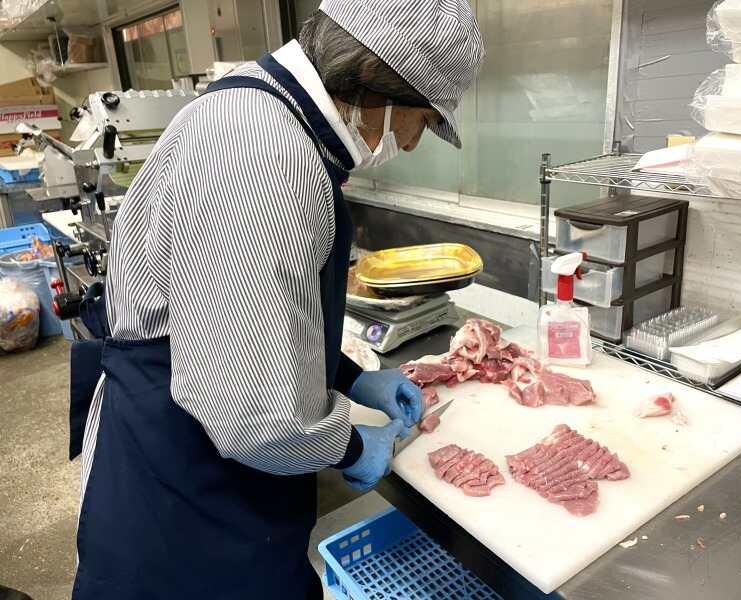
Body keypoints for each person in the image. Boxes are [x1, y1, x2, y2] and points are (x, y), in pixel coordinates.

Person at [68, 1, 484, 598]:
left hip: (206, 460)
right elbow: (253, 417)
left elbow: (257, 322)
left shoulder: (260, 112)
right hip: (187, 493)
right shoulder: (264, 151)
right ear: (379, 83)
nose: (413, 142)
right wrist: (349, 444)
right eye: (422, 119)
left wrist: (350, 378)